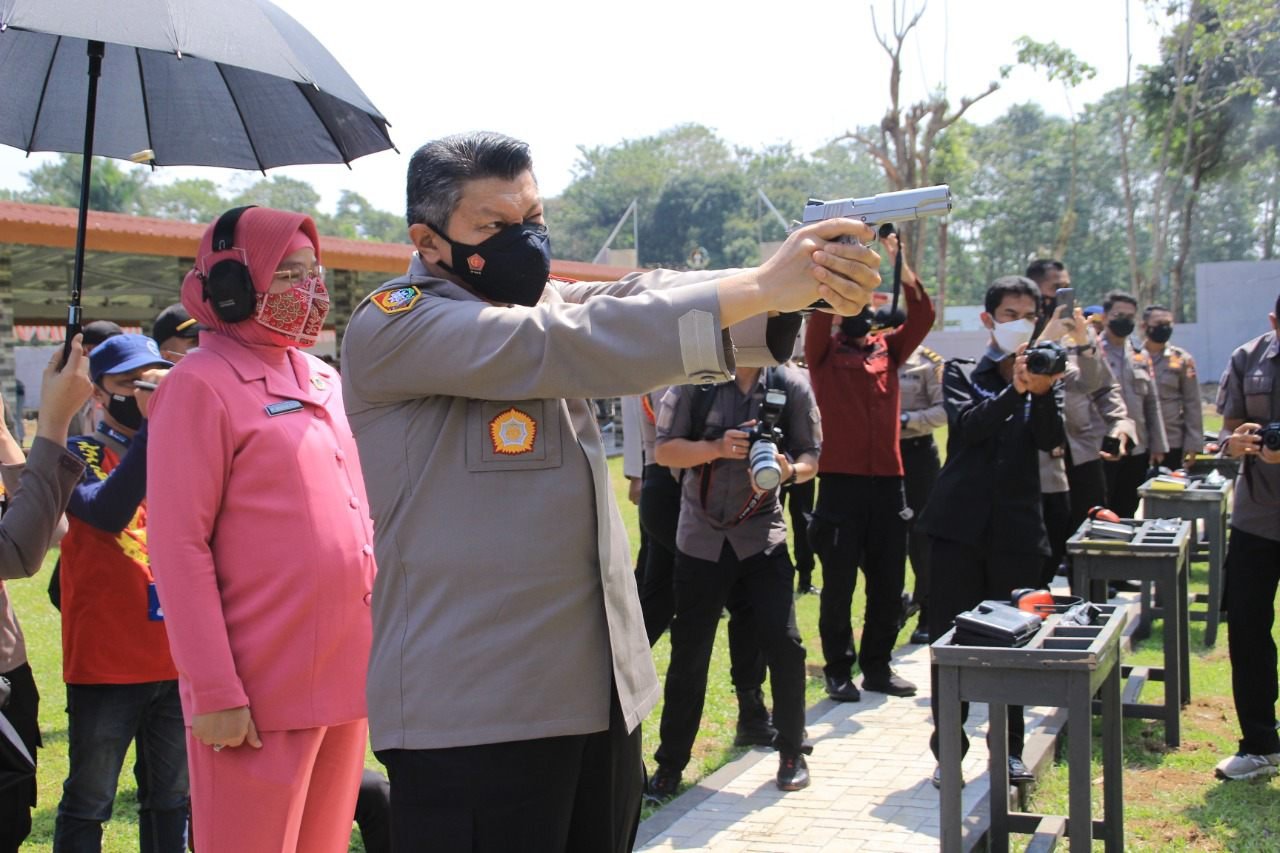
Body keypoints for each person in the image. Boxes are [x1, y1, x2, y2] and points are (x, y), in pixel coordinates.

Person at [339, 131, 879, 852]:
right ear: (428, 240)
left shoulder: (540, 300)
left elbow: (638, 295)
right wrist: (761, 286)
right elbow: (568, 341)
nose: (524, 241)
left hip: (595, 699)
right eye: (494, 227)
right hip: (475, 712)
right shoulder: (397, 321)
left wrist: (791, 282)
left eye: (533, 218)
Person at [146, 207, 376, 852]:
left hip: (345, 675)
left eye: (314, 272)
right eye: (287, 274)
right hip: (255, 693)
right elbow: (178, 547)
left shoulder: (323, 378)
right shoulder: (198, 384)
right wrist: (214, 688)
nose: (310, 291)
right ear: (230, 285)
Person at [918, 275, 1065, 788]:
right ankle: (948, 753)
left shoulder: (1047, 377)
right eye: (1009, 315)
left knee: (1015, 646)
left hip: (1017, 535)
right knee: (949, 646)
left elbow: (1052, 442)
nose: (1019, 324)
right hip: (957, 530)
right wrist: (1014, 390)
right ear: (988, 321)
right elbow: (969, 426)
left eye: (1029, 315)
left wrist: (1041, 392)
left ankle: (1008, 750)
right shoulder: (961, 372)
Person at [646, 364, 820, 797]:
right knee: (690, 650)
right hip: (700, 538)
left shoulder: (790, 384)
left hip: (763, 536)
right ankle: (670, 765)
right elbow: (665, 451)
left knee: (785, 644)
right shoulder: (694, 380)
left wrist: (788, 472)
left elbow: (811, 457)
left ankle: (792, 751)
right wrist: (717, 447)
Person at [54, 334, 188, 853]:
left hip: (177, 659)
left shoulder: (177, 447)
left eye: (153, 380)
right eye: (129, 383)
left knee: (172, 796)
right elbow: (107, 511)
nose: (143, 391)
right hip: (107, 662)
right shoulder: (78, 450)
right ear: (99, 395)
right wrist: (156, 425)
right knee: (91, 798)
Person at [806, 232, 934, 700]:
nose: (860, 308)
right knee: (839, 584)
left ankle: (877, 666)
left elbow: (923, 315)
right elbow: (817, 317)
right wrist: (836, 270)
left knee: (887, 581)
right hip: (840, 484)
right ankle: (839, 669)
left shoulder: (888, 351)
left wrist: (900, 262)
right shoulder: (824, 353)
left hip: (889, 485)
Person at [0, 340, 93, 853]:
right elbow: (15, 554)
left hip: (10, 675)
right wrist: (54, 425)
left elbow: (49, 527)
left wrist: (3, 438)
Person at [1213, 294, 1280, 781]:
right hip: (1257, 518)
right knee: (1249, 629)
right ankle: (1259, 743)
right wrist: (1237, 442)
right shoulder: (1247, 358)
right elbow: (1227, 432)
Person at [1099, 290, 1169, 516]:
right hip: (1103, 446)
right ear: (1106, 316)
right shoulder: (1091, 352)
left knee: (1128, 507)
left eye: (1130, 317)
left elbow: (1152, 402)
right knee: (1101, 507)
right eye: (1119, 315)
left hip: (1137, 446)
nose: (1125, 321)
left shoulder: (1141, 355)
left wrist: (1158, 444)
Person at [898, 343, 946, 645]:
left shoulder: (927, 362)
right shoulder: (866, 356)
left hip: (917, 454)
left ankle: (928, 609)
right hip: (879, 455)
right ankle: (898, 602)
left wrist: (907, 420)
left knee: (921, 536)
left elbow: (944, 409)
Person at [1142, 304, 1203, 470]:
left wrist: (1194, 443)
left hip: (1172, 440)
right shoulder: (1133, 357)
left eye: (1168, 324)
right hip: (1139, 442)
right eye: (1159, 323)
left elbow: (1193, 403)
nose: (1164, 328)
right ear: (1144, 326)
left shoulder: (1182, 360)